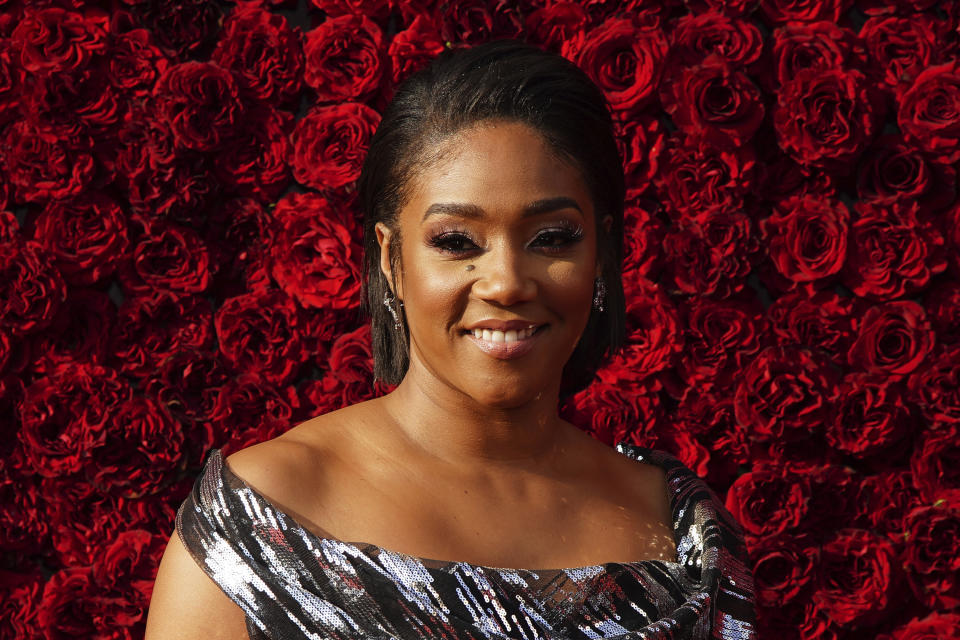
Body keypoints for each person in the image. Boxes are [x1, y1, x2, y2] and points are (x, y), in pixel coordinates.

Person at [145, 40, 756, 640]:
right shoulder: (258, 521)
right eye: (457, 241)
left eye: (551, 238)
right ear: (391, 261)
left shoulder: (680, 529)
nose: (508, 283)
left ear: (600, 254)